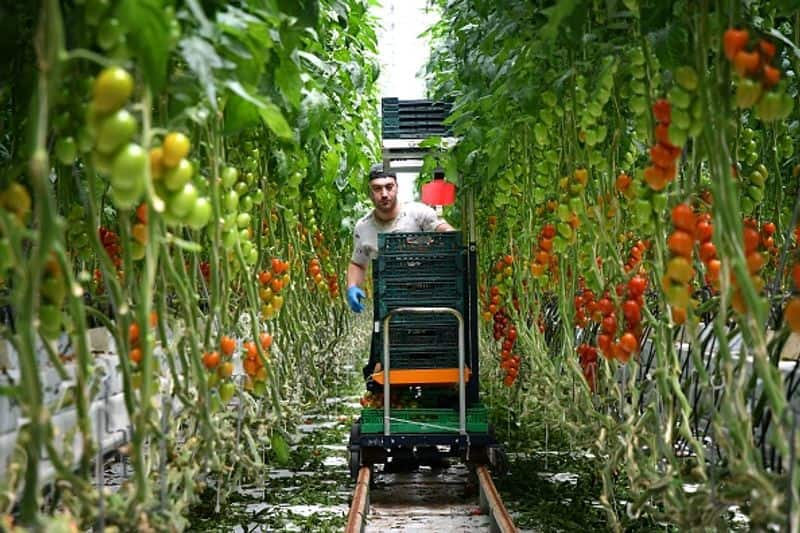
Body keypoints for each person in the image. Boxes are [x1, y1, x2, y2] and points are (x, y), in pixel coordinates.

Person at [346, 163, 454, 313]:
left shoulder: (418, 214)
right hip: (390, 302)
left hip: (430, 297)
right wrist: (352, 287)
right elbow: (358, 263)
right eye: (377, 188)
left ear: (397, 187)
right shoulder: (363, 227)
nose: (384, 194)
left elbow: (445, 231)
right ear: (370, 192)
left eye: (389, 187)